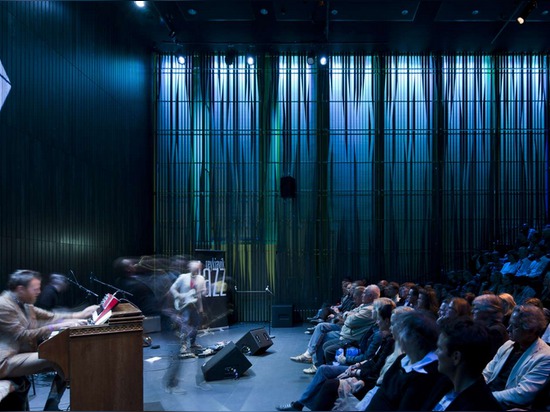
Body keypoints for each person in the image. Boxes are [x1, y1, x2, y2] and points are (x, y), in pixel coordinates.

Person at [0, 270, 98, 411]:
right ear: (21, 289)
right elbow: (21, 335)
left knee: (67, 356)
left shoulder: (24, 303)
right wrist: (55, 327)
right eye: (35, 289)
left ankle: (53, 405)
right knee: (61, 357)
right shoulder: (4, 305)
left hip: (18, 355)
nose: (39, 292)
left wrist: (82, 315)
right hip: (5, 360)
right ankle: (52, 406)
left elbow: (50, 316)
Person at [276, 300, 396, 412]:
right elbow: (370, 356)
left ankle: (301, 403)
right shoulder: (376, 328)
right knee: (327, 347)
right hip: (358, 357)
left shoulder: (382, 336)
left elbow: (371, 361)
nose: (371, 311)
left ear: (385, 318)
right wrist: (356, 363)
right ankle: (312, 367)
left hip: (362, 368)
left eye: (375, 309)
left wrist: (352, 365)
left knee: (325, 369)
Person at [362, 310, 453, 411]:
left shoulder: (428, 375)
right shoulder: (402, 359)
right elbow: (383, 390)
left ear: (414, 339)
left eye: (401, 332)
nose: (398, 337)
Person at [426, 317, 503, 410]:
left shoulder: (481, 406)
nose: (436, 353)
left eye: (440, 348)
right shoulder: (443, 384)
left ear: (456, 357)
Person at [483, 305, 550, 409]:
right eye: (509, 324)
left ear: (531, 331)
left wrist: (484, 397)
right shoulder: (508, 344)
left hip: (505, 406)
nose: (508, 329)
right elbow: (487, 372)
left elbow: (522, 394)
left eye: (515, 326)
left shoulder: (545, 356)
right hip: (487, 398)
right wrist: (474, 391)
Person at [169, 260, 207, 358]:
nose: (196, 270)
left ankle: (193, 342)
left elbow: (200, 295)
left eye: (198, 268)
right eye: (194, 268)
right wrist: (179, 296)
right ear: (190, 268)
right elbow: (172, 288)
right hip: (184, 305)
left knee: (196, 325)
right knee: (184, 324)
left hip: (195, 305)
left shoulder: (201, 279)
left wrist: (201, 307)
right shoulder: (183, 277)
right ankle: (184, 345)